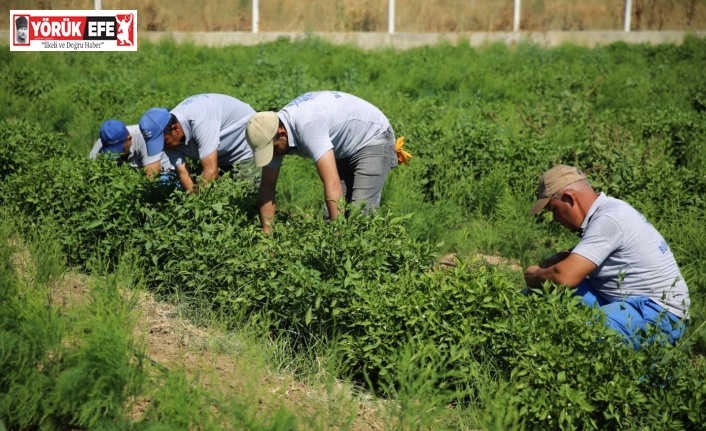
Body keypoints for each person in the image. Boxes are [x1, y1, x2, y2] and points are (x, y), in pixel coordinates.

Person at [523, 164, 690, 349]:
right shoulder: (609, 211)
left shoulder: (609, 219)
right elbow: (594, 248)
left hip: (658, 313)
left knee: (586, 332)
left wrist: (533, 274)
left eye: (554, 210)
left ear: (569, 198)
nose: (555, 219)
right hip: (629, 303)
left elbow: (564, 277)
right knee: (543, 295)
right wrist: (560, 257)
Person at [245, 90, 408, 233]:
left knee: (360, 215)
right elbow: (267, 186)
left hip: (373, 138)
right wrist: (268, 236)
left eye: (271, 149)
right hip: (343, 145)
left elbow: (331, 183)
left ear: (282, 133)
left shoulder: (308, 126)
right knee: (331, 217)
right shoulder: (272, 131)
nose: (272, 154)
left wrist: (337, 236)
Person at [139, 94, 260, 193]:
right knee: (217, 192)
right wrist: (193, 201)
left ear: (176, 129)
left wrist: (197, 204)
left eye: (163, 142)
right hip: (219, 151)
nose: (162, 148)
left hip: (244, 144)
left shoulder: (200, 120)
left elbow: (211, 171)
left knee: (247, 195)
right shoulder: (168, 135)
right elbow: (184, 174)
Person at [89, 119, 174, 181]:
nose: (115, 154)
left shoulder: (144, 137)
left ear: (129, 139)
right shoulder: (102, 143)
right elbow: (89, 170)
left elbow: (153, 177)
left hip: (163, 172)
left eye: (119, 149)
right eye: (110, 150)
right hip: (133, 176)